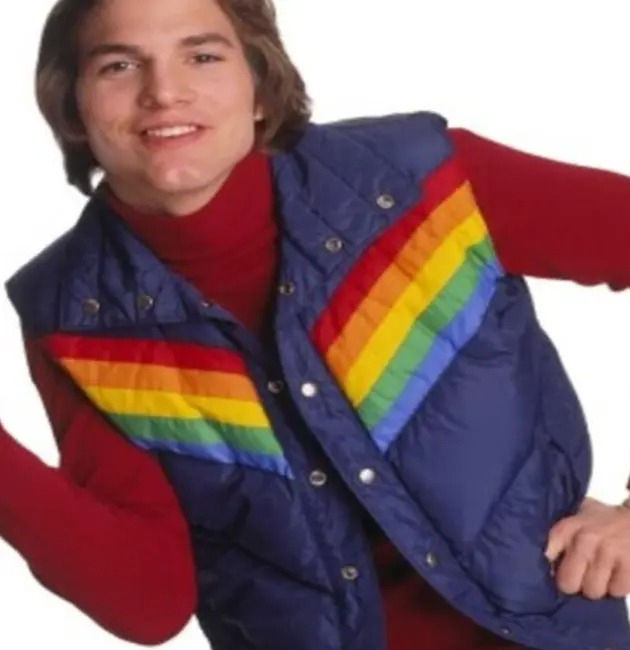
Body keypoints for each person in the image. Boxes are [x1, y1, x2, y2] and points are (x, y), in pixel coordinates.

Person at [1, 0, 630, 648]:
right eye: (119, 66)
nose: (164, 92)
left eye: (203, 56)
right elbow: (149, 603)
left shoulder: (417, 179)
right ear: (73, 107)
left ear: (259, 86)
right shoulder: (71, 314)